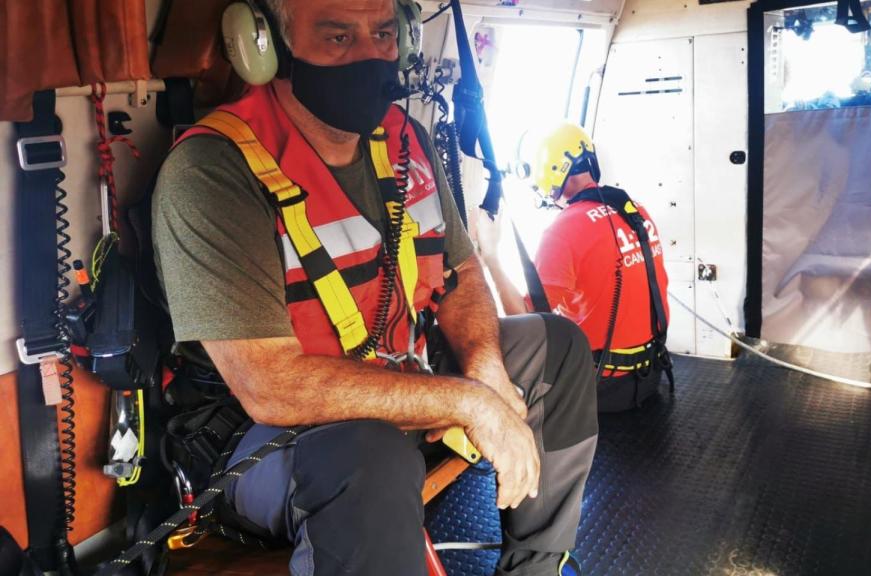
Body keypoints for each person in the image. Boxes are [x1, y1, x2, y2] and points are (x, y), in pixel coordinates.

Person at [151, 1, 597, 574]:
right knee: (369, 454)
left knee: (555, 347)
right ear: (267, 47)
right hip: (265, 437)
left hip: (399, 372)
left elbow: (459, 274)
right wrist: (465, 400)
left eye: (384, 33)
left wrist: (484, 365)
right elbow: (270, 388)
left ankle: (535, 566)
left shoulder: (404, 137)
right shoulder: (214, 170)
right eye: (338, 36)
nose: (369, 56)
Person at [475, 122, 672, 412]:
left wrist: (490, 257)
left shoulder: (564, 229)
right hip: (652, 372)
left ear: (550, 172)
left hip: (600, 386)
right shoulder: (635, 209)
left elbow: (528, 320)